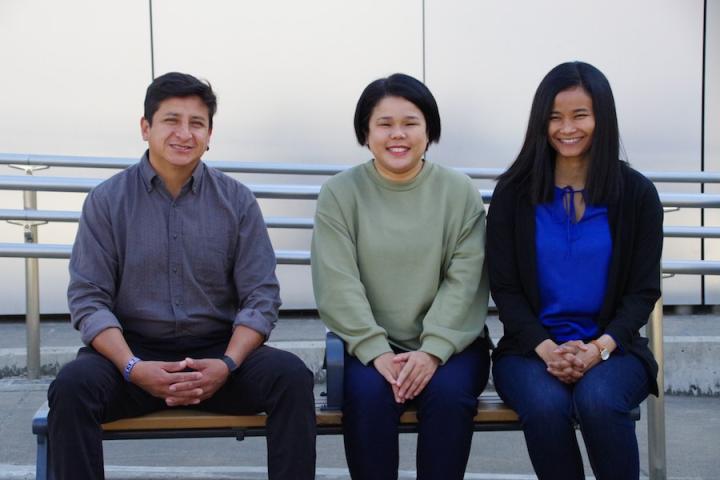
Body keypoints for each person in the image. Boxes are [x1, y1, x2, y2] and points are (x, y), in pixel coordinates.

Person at [47, 72, 316, 480]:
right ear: (145, 127)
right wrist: (133, 367)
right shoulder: (107, 201)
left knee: (292, 378)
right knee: (71, 387)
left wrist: (227, 363)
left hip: (218, 355)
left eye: (197, 123)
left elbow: (261, 296)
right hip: (133, 356)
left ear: (210, 135)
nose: (184, 134)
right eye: (171, 120)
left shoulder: (237, 201)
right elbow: (88, 299)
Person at [487, 61, 662, 480]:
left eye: (580, 115)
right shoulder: (513, 193)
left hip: (615, 349)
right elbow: (505, 289)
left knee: (598, 399)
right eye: (554, 117)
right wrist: (547, 349)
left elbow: (642, 292)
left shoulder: (636, 194)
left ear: (602, 118)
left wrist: (598, 348)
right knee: (546, 404)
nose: (567, 128)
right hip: (528, 351)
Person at [312, 73, 490, 480]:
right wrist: (377, 351)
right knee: (368, 397)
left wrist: (432, 351)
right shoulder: (340, 193)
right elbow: (337, 282)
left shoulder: (459, 191)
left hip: (450, 345)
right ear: (365, 132)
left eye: (410, 123)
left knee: (448, 397)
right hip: (368, 345)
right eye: (384, 124)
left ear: (429, 130)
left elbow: (466, 281)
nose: (398, 134)